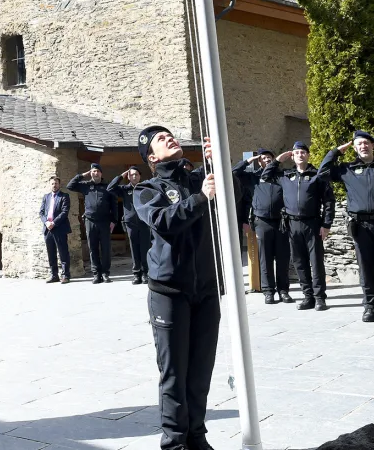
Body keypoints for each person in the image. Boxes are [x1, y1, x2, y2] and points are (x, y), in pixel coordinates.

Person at [135, 126, 220, 450]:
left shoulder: (199, 177)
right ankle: (174, 443)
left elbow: (234, 193)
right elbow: (164, 221)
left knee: (200, 373)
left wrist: (217, 165)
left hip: (206, 289)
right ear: (152, 157)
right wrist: (201, 198)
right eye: (161, 139)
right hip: (169, 293)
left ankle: (197, 437)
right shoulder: (146, 189)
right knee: (174, 374)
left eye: (171, 134)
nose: (170, 138)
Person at [320, 131, 374, 323]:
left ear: (373, 145)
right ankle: (369, 306)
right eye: (359, 144)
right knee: (365, 267)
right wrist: (335, 152)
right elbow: (323, 173)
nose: (363, 146)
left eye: (366, 143)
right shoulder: (347, 169)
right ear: (355, 148)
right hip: (359, 226)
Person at [266, 141, 334, 311]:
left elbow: (328, 201)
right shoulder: (286, 176)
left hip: (312, 223)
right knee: (299, 262)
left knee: (316, 262)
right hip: (292, 224)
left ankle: (320, 298)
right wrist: (279, 160)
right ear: (293, 156)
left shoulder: (317, 175)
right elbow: (266, 175)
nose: (300, 155)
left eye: (303, 152)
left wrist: (326, 224)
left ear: (308, 155)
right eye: (297, 153)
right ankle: (308, 296)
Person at [233, 149, 290, 304]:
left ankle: (283, 291)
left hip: (281, 222)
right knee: (265, 258)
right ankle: (268, 291)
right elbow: (234, 173)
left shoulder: (281, 176)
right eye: (263, 158)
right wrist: (248, 161)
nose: (266, 160)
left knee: (283, 258)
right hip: (261, 221)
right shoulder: (253, 177)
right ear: (259, 161)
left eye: (269, 158)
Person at [67, 163, 118, 284]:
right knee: (92, 248)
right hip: (90, 221)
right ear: (90, 173)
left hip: (105, 222)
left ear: (101, 173)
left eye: (98, 171)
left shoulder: (107, 186)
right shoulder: (85, 185)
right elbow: (70, 186)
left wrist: (114, 221)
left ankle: (105, 273)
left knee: (105, 248)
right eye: (93, 171)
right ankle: (96, 274)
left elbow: (114, 205)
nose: (96, 173)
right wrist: (82, 175)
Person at [108, 166, 152, 285]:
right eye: (131, 174)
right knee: (134, 248)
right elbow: (110, 188)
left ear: (140, 176)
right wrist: (121, 176)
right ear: (128, 177)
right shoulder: (124, 189)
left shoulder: (145, 188)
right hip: (131, 223)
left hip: (144, 222)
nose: (134, 176)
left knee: (144, 248)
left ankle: (145, 274)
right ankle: (136, 274)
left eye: (136, 174)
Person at [38, 176, 71, 283]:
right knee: (51, 253)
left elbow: (64, 212)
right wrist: (47, 222)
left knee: (63, 252)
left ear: (59, 184)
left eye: (56, 183)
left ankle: (65, 275)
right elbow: (41, 212)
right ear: (50, 184)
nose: (54, 185)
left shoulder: (64, 196)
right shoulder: (46, 197)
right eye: (52, 183)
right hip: (48, 229)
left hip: (59, 228)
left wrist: (54, 223)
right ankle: (54, 275)